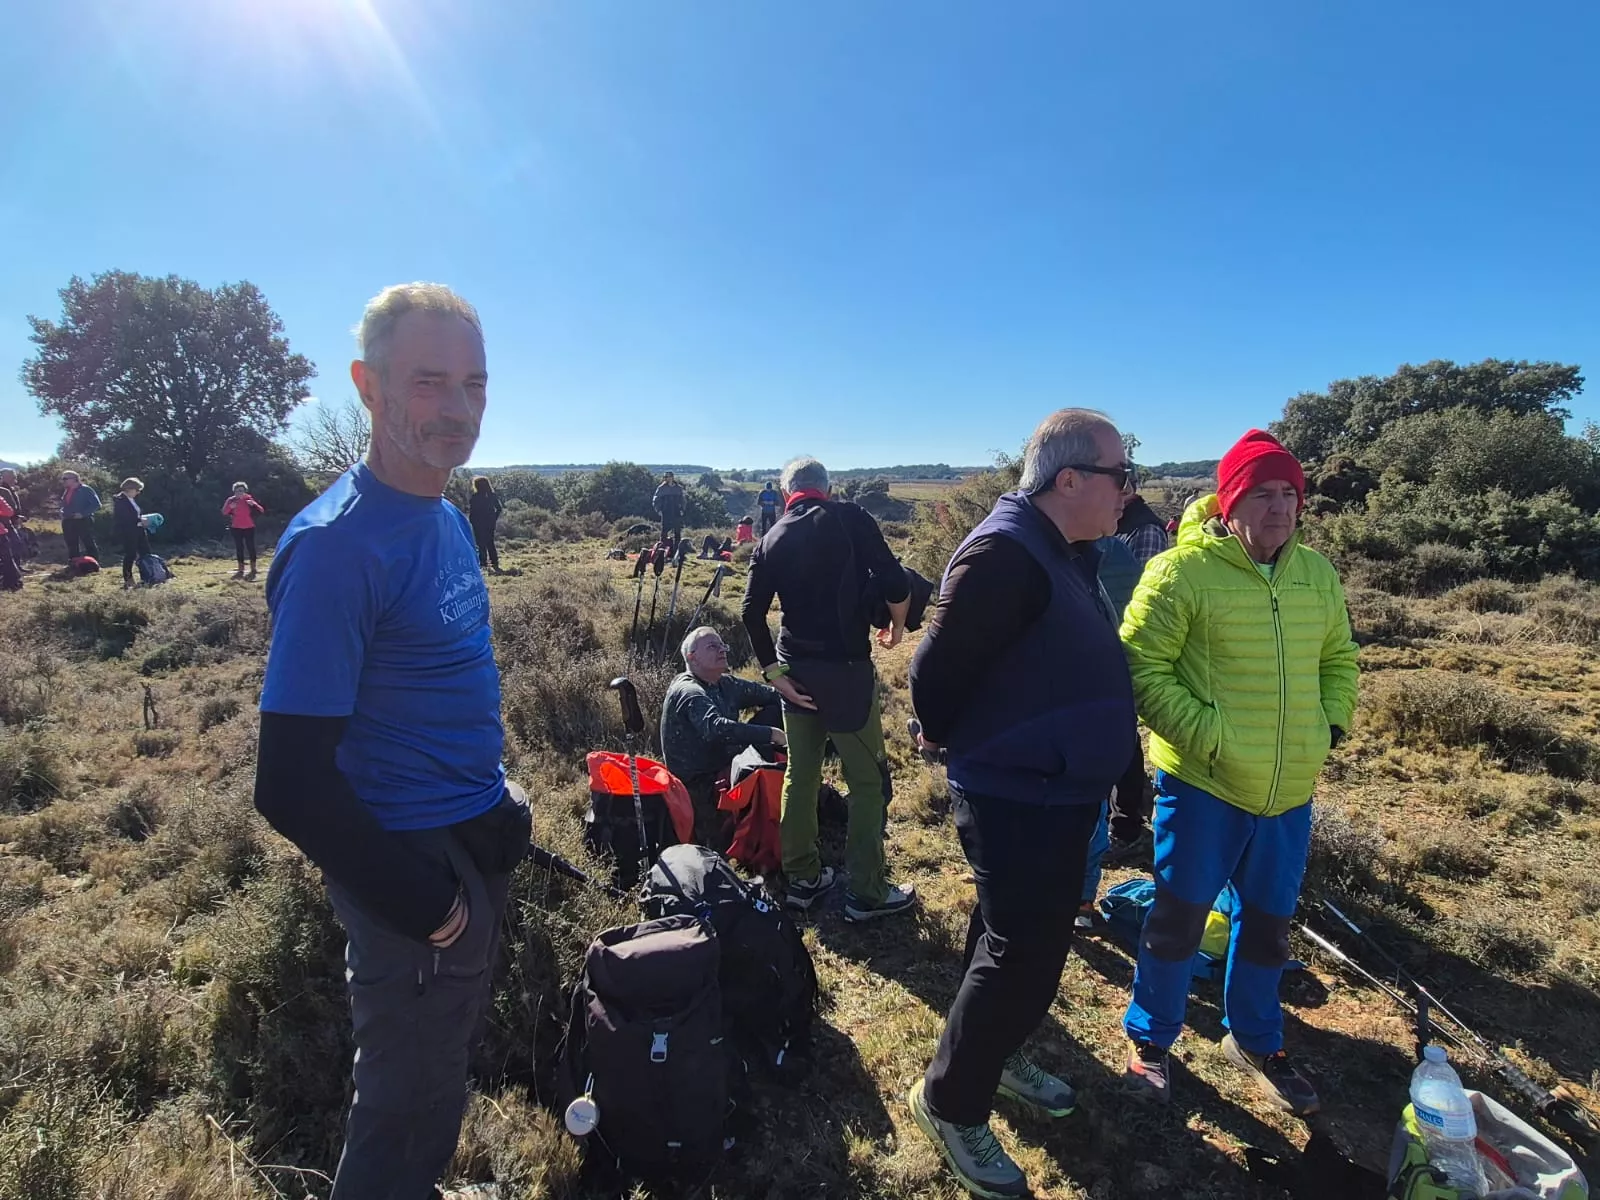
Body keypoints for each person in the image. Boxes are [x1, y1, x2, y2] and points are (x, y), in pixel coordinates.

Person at [253, 282, 531, 1199]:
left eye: (475, 383)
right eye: (428, 381)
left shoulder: (445, 515)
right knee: (402, 1101)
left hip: (463, 838)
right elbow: (289, 783)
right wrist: (427, 904)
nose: (459, 409)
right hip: (409, 863)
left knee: (436, 1065)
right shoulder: (339, 547)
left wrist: (495, 799)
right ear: (367, 387)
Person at [904, 408, 1138, 1200]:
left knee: (1003, 943)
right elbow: (932, 681)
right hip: (1016, 792)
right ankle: (950, 1101)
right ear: (1068, 479)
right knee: (1024, 957)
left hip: (1055, 787)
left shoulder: (1063, 549)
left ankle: (991, 1055)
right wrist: (962, 738)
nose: (1129, 492)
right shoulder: (1005, 554)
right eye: (1119, 475)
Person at [1120, 429, 1359, 1116]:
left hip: (1289, 793)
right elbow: (1140, 666)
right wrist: (1212, 739)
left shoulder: (1316, 573)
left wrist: (1328, 726)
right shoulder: (1180, 573)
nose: (1280, 507)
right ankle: (1152, 1037)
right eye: (1263, 493)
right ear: (1231, 503)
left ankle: (1254, 1038)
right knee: (1178, 920)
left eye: (1290, 493)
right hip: (1205, 787)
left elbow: (1340, 658)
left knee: (1268, 927)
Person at [741, 456, 915, 923]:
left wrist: (775, 675)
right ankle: (867, 893)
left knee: (801, 772)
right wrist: (897, 629)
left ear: (784, 494)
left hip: (795, 669)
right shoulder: (851, 518)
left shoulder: (771, 537)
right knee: (867, 783)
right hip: (846, 671)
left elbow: (750, 614)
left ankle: (802, 879)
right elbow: (896, 582)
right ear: (828, 489)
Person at [660, 626, 787, 844]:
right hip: (699, 783)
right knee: (721, 843)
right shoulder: (688, 691)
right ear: (693, 657)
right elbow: (715, 728)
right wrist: (772, 735)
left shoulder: (725, 683)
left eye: (722, 645)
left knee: (778, 710)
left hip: (727, 762)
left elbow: (772, 696)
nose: (722, 650)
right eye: (712, 646)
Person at [1076, 532, 1142, 931]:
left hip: (1079, 694)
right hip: (1111, 685)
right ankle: (1081, 901)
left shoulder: (1049, 549)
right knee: (1093, 800)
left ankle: (1072, 898)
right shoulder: (1118, 550)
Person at [1105, 491, 1171, 867]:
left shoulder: (1143, 529)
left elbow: (1142, 597)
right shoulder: (1112, 525)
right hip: (1105, 642)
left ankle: (1127, 826)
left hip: (1124, 646)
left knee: (1123, 737)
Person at [113, 478, 153, 589]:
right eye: (137, 490)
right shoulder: (120, 500)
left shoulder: (132, 499)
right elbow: (124, 518)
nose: (138, 492)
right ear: (129, 489)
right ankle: (128, 579)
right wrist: (139, 521)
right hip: (128, 532)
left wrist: (142, 519)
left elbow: (135, 514)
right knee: (130, 555)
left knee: (146, 553)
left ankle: (148, 577)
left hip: (139, 531)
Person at [222, 482, 265, 580]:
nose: (239, 493)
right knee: (239, 548)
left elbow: (261, 510)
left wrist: (253, 504)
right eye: (237, 491)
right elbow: (224, 512)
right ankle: (240, 569)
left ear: (245, 491)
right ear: (234, 491)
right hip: (236, 527)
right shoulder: (231, 500)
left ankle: (253, 568)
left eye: (241, 491)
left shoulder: (249, 499)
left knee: (251, 547)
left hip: (249, 527)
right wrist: (230, 507)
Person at [59, 470, 101, 562]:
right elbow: (65, 505)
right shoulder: (67, 491)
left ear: (74, 479)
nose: (63, 481)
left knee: (88, 542)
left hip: (83, 520)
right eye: (63, 479)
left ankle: (94, 562)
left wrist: (83, 514)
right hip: (68, 520)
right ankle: (74, 563)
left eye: (65, 478)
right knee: (71, 543)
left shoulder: (86, 489)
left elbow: (96, 504)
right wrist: (62, 512)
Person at [467, 475, 504, 573]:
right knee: (490, 542)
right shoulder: (492, 496)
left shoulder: (475, 497)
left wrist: (472, 520)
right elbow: (499, 509)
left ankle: (483, 563)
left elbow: (472, 511)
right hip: (489, 523)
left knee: (480, 544)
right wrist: (493, 518)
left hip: (478, 523)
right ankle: (494, 562)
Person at [653, 472, 685, 546]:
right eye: (665, 477)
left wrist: (682, 509)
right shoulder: (661, 488)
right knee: (664, 532)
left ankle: (677, 550)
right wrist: (658, 510)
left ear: (672, 477)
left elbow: (683, 500)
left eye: (668, 477)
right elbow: (656, 500)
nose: (667, 478)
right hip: (666, 511)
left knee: (677, 531)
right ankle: (662, 549)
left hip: (676, 511)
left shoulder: (678, 488)